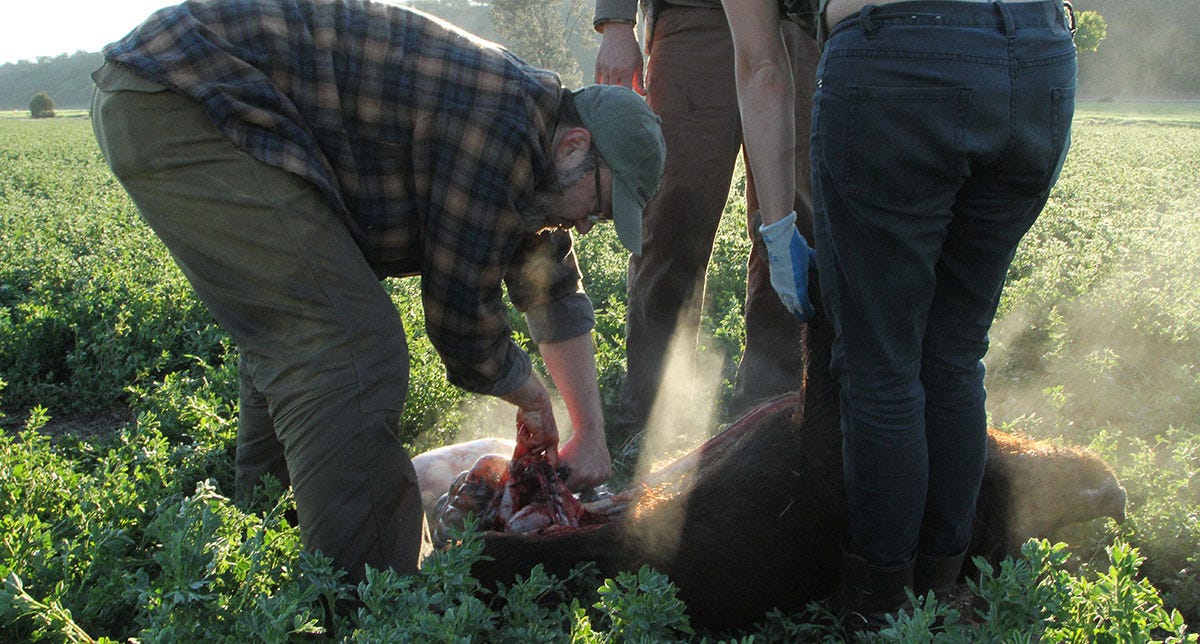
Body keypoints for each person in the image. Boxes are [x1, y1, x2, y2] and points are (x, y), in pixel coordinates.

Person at [91, 0, 665, 583]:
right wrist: (536, 402)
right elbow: (461, 324)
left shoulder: (536, 149)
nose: (592, 223)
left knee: (304, 317)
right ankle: (373, 595)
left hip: (178, 86)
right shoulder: (502, 125)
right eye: (600, 202)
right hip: (188, 92)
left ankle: (265, 523)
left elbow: (554, 292)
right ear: (573, 146)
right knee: (349, 341)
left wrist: (589, 432)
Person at [806, 0, 1078, 631]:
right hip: (1038, 54)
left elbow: (763, 67)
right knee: (954, 355)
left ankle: (880, 611)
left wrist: (775, 229)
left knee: (882, 367)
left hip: (900, 61)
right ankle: (939, 591)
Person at [591, 0, 820, 450]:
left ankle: (771, 410)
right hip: (693, 19)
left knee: (796, 215)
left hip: (796, 19)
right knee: (674, 207)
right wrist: (617, 22)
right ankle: (651, 410)